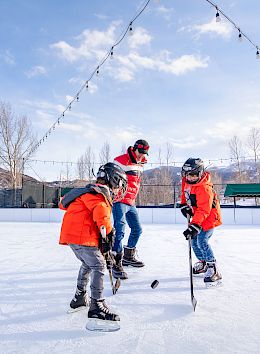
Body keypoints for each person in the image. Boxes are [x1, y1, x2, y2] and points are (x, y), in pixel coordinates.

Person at [59, 162, 127, 330]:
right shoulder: (99, 195)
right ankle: (97, 305)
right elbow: (101, 216)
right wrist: (109, 235)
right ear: (114, 180)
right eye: (119, 185)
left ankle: (79, 298)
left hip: (75, 237)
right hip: (81, 237)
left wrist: (103, 242)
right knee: (99, 265)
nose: (119, 190)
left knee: (88, 264)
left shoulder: (90, 191)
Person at [180, 158, 222, 285]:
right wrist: (183, 205)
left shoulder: (204, 188)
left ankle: (213, 268)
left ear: (200, 173)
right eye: (187, 174)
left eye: (193, 174)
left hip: (208, 218)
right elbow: (184, 194)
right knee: (194, 242)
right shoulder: (186, 182)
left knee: (202, 241)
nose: (190, 177)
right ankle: (204, 263)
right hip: (197, 218)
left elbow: (204, 210)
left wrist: (195, 225)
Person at [112, 139, 149, 280]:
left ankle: (128, 256)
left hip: (131, 202)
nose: (141, 155)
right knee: (120, 230)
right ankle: (116, 261)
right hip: (119, 200)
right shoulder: (120, 161)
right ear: (134, 149)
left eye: (144, 153)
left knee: (137, 229)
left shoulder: (142, 162)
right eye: (140, 152)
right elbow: (112, 177)